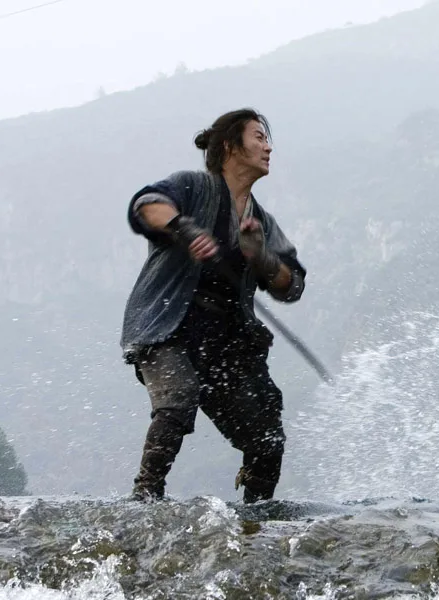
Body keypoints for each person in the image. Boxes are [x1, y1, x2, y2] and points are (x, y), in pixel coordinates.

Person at [120, 108, 306, 502]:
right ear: (231, 146)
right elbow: (146, 204)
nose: (268, 147)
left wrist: (261, 257)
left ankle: (257, 519)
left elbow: (291, 284)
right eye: (259, 137)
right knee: (177, 398)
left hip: (227, 342)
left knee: (267, 436)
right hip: (167, 329)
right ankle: (144, 497)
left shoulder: (262, 221)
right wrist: (184, 228)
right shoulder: (192, 187)